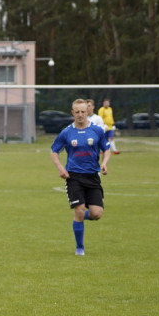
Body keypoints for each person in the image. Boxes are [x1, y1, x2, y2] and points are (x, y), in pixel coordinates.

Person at [50, 99, 112, 256]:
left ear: (88, 111)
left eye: (83, 111)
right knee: (78, 210)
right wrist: (60, 168)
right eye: (77, 112)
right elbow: (54, 151)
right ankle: (80, 248)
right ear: (73, 113)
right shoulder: (66, 132)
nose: (80, 115)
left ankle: (79, 217)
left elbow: (106, 149)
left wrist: (104, 163)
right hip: (74, 176)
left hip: (92, 176)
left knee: (96, 214)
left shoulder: (97, 130)